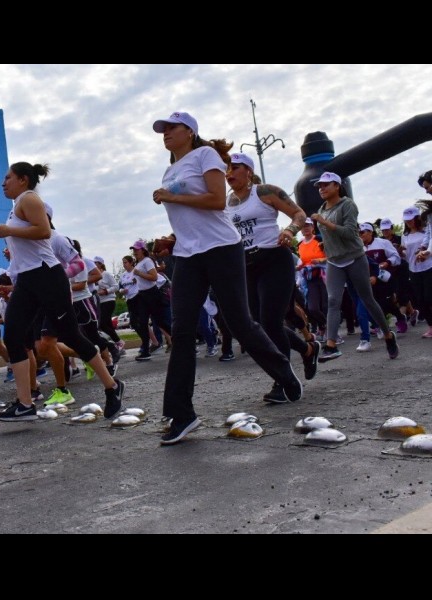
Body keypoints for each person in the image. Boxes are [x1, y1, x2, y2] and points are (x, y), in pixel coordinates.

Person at [151, 111, 303, 445]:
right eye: (163, 130)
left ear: (190, 132)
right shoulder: (170, 170)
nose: (165, 133)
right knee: (182, 329)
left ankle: (282, 370)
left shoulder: (205, 155)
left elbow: (217, 201)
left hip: (222, 248)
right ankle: (181, 414)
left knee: (239, 323)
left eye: (172, 128)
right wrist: (171, 240)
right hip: (187, 254)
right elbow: (188, 218)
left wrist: (171, 196)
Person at [0, 162, 125, 422]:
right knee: (14, 336)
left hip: (47, 277)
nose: (3, 183)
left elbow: (43, 231)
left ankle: (112, 385)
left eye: (8, 177)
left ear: (23, 179)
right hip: (27, 280)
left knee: (71, 335)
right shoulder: (16, 206)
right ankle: (25, 403)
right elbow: (24, 255)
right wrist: (12, 283)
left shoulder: (29, 199)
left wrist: (9, 231)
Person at [225, 153, 322, 403]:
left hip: (274, 259)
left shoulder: (265, 192)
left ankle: (282, 380)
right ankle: (307, 349)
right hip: (247, 266)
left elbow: (299, 214)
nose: (229, 173)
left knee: (271, 320)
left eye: (235, 167)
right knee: (258, 324)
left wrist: (290, 230)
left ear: (248, 170)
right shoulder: (226, 202)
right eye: (226, 168)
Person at [309, 172, 398, 361]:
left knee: (367, 299)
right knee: (333, 301)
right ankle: (331, 346)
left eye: (326, 185)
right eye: (319, 186)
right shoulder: (322, 208)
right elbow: (331, 233)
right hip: (334, 261)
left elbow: (350, 233)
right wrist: (326, 243)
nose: (321, 188)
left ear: (337, 186)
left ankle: (388, 335)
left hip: (355, 258)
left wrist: (324, 222)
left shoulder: (347, 205)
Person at [401, 206, 432, 338]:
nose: (409, 222)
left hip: (429, 267)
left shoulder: (426, 231)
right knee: (420, 300)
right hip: (413, 270)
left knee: (429, 297)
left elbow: (429, 245)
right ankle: (431, 327)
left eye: (411, 219)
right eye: (406, 220)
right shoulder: (405, 236)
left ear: (417, 218)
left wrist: (425, 252)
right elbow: (406, 256)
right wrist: (400, 252)